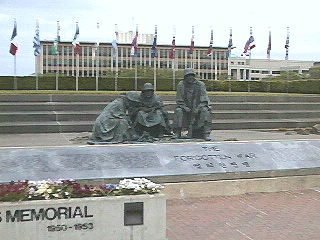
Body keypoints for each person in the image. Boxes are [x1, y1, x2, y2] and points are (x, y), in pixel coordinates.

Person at [173, 68, 211, 140]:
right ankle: (177, 132)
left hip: (198, 107)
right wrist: (184, 107)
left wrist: (198, 108)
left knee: (205, 111)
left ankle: (206, 133)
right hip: (185, 108)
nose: (190, 78)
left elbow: (204, 99)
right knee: (178, 111)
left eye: (191, 76)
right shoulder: (181, 85)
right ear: (185, 77)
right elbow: (179, 99)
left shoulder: (200, 85)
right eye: (188, 76)